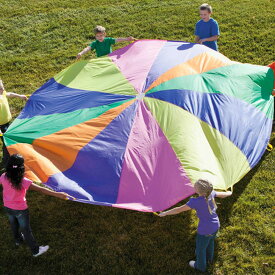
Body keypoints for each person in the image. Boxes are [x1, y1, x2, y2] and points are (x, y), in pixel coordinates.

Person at [0, 154, 74, 257]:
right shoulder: (23, 181)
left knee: (13, 224)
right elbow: (41, 189)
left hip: (7, 206)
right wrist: (58, 194)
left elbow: (5, 188)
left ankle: (17, 240)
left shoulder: (3, 176)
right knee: (26, 230)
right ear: (21, 167)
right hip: (20, 210)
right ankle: (36, 251)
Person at [159, 179, 232, 272]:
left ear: (198, 191)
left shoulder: (195, 202)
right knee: (210, 242)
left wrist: (165, 213)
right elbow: (223, 195)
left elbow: (178, 210)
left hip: (205, 230)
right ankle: (209, 259)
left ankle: (200, 266)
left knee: (200, 249)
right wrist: (230, 192)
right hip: (216, 225)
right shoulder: (211, 193)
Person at [0, 79, 27, 165]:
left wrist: (19, 96)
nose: (3, 89)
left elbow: (9, 94)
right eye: (0, 88)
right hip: (1, 126)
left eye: (2, 86)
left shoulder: (2, 93)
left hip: (7, 122)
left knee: (8, 139)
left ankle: (9, 154)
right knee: (6, 140)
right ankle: (7, 160)